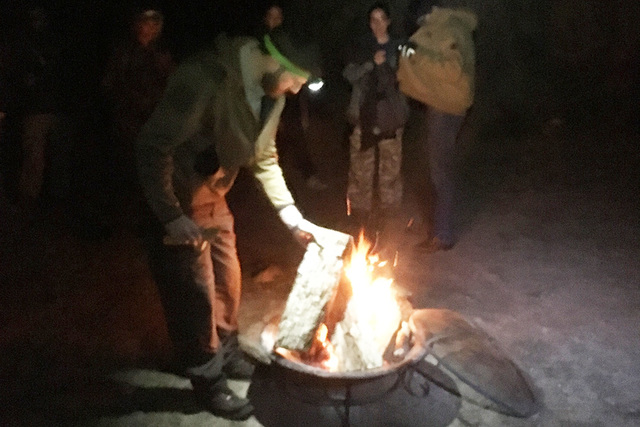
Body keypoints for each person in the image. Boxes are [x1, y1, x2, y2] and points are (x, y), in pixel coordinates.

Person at [135, 28, 322, 420]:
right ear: (275, 61)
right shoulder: (204, 79)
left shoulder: (270, 98)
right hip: (180, 198)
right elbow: (153, 145)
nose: (292, 91)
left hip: (214, 194)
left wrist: (291, 217)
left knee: (228, 276)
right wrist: (171, 215)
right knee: (195, 291)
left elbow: (264, 157)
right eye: (294, 81)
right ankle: (207, 379)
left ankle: (229, 353)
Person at [397, 6, 477, 252]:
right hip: (442, 105)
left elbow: (452, 70)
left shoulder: (450, 29)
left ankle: (443, 235)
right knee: (439, 168)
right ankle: (440, 231)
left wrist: (417, 56)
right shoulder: (444, 28)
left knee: (440, 170)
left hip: (446, 109)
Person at [102, 9, 175, 222]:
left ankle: (151, 212)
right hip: (128, 120)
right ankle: (125, 214)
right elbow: (108, 85)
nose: (148, 28)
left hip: (154, 120)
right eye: (144, 23)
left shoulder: (162, 53)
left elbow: (172, 84)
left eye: (154, 24)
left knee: (155, 167)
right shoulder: (123, 52)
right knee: (128, 166)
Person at [342, 2, 407, 229]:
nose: (377, 25)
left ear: (388, 21)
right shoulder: (361, 46)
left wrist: (387, 68)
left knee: (391, 167)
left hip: (390, 115)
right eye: (373, 20)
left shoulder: (400, 48)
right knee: (361, 166)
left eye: (381, 19)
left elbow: (406, 79)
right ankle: (360, 215)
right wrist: (371, 64)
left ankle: (390, 215)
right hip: (364, 114)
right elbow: (349, 74)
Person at [259, 3, 327, 191]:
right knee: (271, 146)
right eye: (271, 17)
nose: (275, 21)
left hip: (290, 103)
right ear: (265, 19)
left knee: (297, 137)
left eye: (278, 17)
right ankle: (273, 185)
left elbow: (301, 78)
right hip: (268, 103)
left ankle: (307, 176)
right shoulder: (259, 47)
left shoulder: (290, 44)